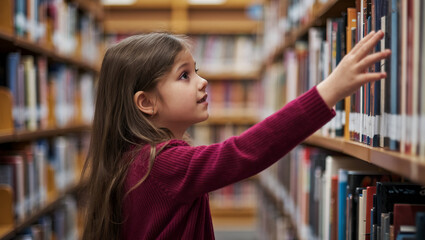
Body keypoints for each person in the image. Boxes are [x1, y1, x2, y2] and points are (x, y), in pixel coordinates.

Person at [81, 31, 390, 240]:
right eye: (184, 75)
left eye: (196, 70)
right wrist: (329, 91)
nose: (202, 82)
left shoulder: (132, 159)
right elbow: (242, 153)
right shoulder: (161, 164)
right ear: (146, 102)